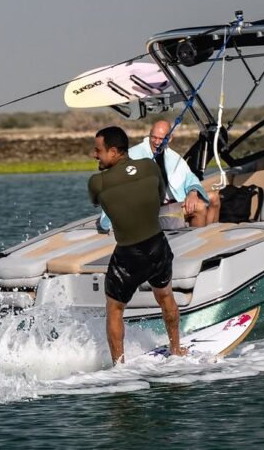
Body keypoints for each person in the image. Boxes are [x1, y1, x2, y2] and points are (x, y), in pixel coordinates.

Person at [88, 125, 185, 364]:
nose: (94, 155)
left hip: (129, 255)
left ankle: (119, 366)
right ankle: (176, 349)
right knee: (165, 296)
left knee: (114, 309)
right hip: (157, 246)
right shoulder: (151, 167)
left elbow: (96, 202)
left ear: (113, 151)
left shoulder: (97, 182)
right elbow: (160, 196)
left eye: (98, 150)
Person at [129, 120, 220, 228]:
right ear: (149, 135)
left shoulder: (172, 156)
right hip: (151, 212)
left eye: (161, 139)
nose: (157, 142)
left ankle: (210, 235)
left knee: (214, 198)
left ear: (170, 138)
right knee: (199, 207)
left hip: (172, 202)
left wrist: (193, 192)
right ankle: (198, 242)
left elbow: (190, 177)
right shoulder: (133, 154)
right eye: (153, 137)